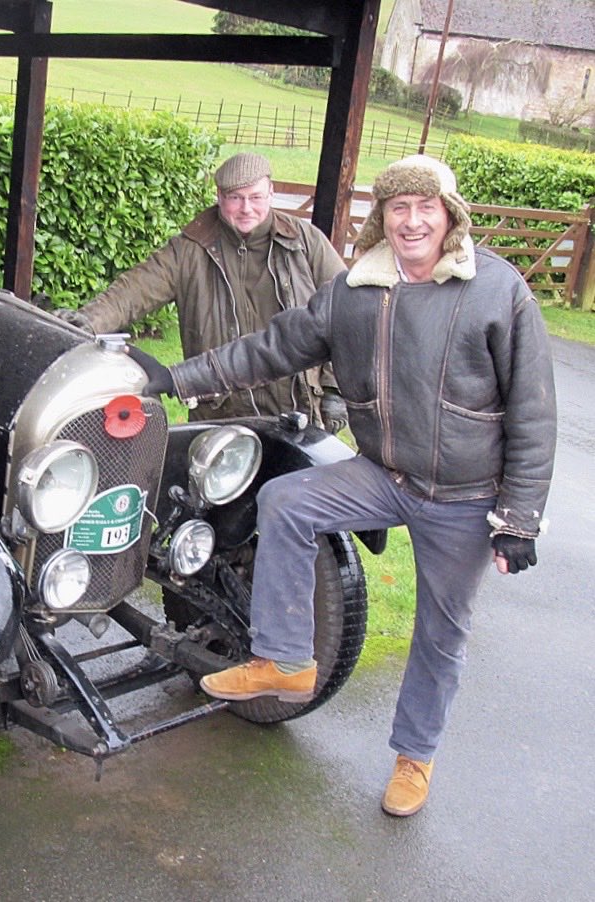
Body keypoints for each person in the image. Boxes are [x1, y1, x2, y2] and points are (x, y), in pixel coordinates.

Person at [128, 154, 557, 817]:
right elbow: (270, 347)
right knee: (288, 501)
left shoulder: (496, 291)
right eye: (398, 208)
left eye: (426, 208)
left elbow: (533, 408)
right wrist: (176, 379)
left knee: (441, 634)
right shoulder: (356, 291)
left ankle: (414, 757)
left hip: (466, 496)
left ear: (449, 215)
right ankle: (286, 658)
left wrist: (519, 518)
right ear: (381, 219)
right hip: (383, 474)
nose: (412, 221)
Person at [61, 152, 349, 431]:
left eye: (256, 197)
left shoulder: (305, 242)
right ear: (220, 197)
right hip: (219, 415)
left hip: (296, 411)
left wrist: (335, 387)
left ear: (271, 193)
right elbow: (133, 292)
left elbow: (346, 310)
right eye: (235, 198)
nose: (246, 208)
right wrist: (86, 322)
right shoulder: (190, 248)